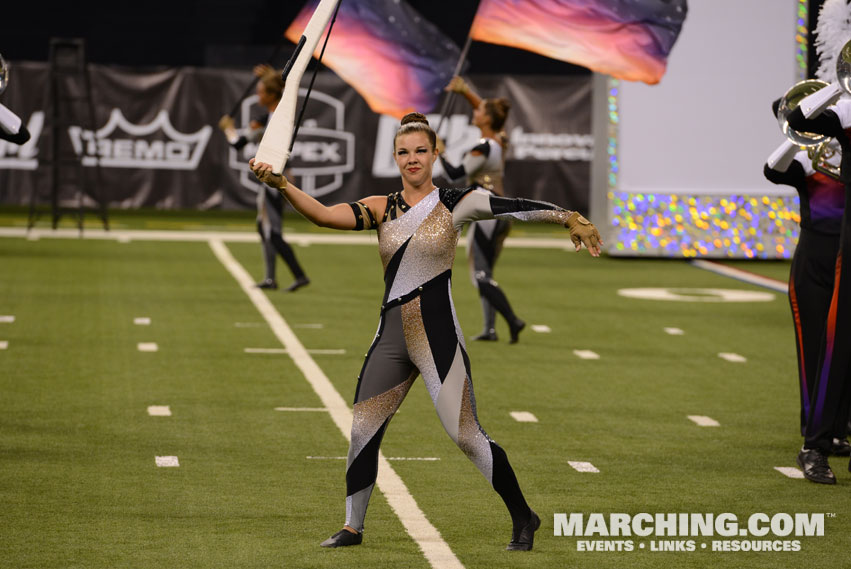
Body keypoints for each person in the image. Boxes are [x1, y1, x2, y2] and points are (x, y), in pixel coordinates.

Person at [250, 113, 601, 550]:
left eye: (420, 150)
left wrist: (568, 217)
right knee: (362, 429)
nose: (411, 159)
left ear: (435, 153)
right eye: (403, 152)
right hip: (392, 339)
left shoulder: (457, 201)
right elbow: (322, 215)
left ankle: (523, 515)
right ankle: (352, 527)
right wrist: (282, 185)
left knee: (466, 436)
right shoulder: (381, 207)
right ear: (394, 157)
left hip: (437, 340)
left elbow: (513, 206)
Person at [764, 98, 849, 463]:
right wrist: (797, 138)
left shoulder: (844, 153)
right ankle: (813, 427)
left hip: (844, 254)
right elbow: (771, 169)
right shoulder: (802, 160)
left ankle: (838, 430)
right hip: (813, 261)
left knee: (842, 347)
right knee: (814, 346)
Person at [786, 94, 851, 484]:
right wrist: (839, 89)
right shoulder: (847, 114)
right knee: (838, 344)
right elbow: (796, 115)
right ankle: (815, 445)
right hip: (850, 250)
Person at [438, 76, 524, 343]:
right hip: (499, 211)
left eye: (478, 111)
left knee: (480, 275)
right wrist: (467, 92)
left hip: (485, 212)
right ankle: (490, 328)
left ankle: (513, 319)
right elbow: (488, 111)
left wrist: (438, 151)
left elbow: (454, 174)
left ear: (486, 119)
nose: (474, 113)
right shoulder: (500, 141)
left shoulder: (483, 148)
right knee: (487, 273)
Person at [219, 65, 309, 292]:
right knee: (264, 227)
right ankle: (271, 278)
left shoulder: (277, 118)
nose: (257, 95)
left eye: (261, 91)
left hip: (275, 179)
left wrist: (229, 130)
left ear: (271, 94)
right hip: (272, 178)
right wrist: (270, 75)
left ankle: (298, 275)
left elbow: (238, 144)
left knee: (272, 231)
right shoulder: (271, 115)